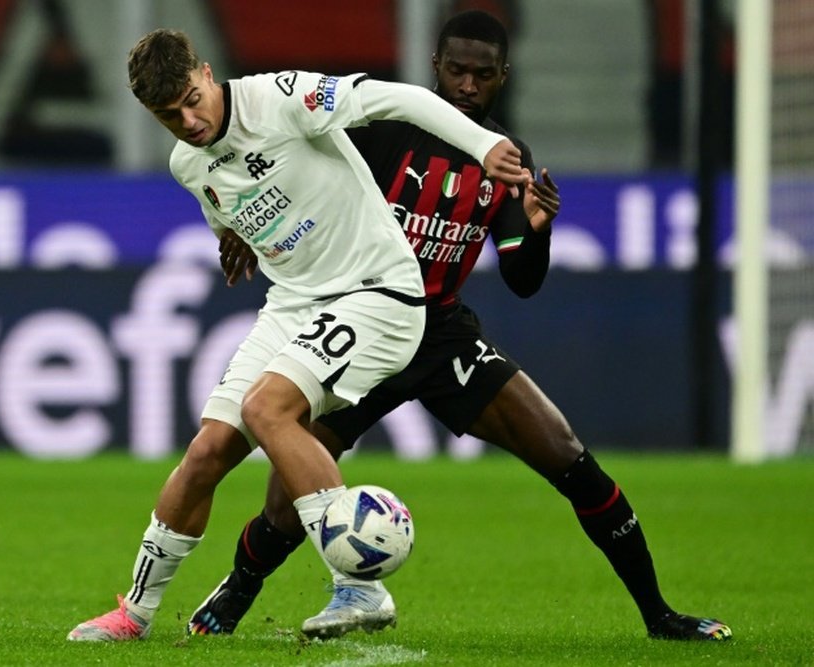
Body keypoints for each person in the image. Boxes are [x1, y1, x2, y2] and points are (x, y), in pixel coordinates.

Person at [187, 11, 732, 642]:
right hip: (361, 319)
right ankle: (233, 594)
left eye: (482, 74)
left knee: (567, 456)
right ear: (435, 69)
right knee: (285, 505)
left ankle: (659, 615)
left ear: (503, 76)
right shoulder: (385, 132)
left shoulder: (504, 157)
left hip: (441, 332)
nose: (468, 85)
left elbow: (522, 278)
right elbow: (289, 174)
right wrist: (245, 228)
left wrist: (534, 230)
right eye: (456, 70)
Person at [67, 28, 527, 642]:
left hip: (378, 291)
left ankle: (360, 586)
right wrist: (233, 236)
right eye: (167, 115)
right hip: (294, 303)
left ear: (206, 73)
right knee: (206, 453)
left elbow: (401, 100)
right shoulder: (187, 163)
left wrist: (484, 141)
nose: (188, 121)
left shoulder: (283, 98)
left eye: (190, 100)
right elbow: (226, 203)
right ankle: (135, 613)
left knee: (268, 410)